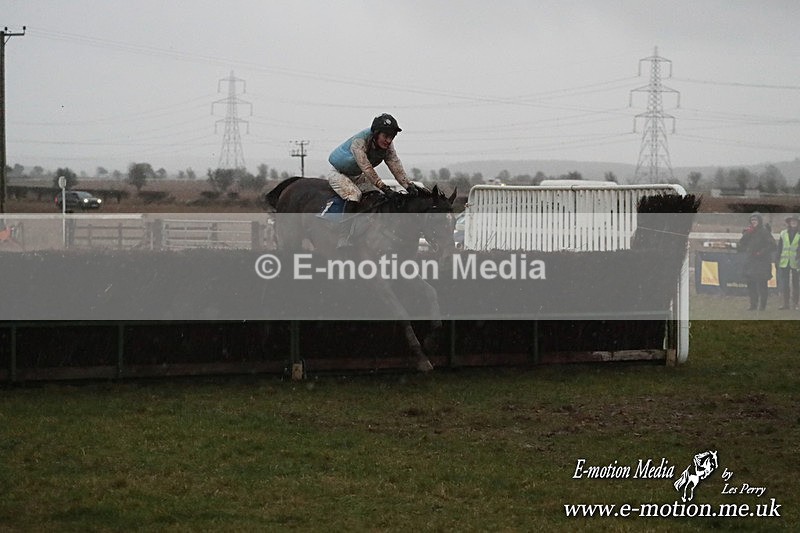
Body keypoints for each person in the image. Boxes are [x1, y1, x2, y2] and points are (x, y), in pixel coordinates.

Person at [328, 113, 418, 247]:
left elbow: (395, 164)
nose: (388, 140)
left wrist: (408, 185)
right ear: (376, 133)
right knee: (354, 195)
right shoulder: (359, 143)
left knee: (377, 196)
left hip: (357, 175)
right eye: (386, 136)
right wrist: (385, 187)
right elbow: (366, 167)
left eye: (391, 137)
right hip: (339, 174)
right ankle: (343, 236)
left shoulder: (388, 147)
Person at [738, 212, 776, 311]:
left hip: (762, 262)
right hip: (751, 261)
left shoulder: (764, 231)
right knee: (750, 283)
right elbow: (741, 244)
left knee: (762, 283)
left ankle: (762, 306)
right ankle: (753, 305)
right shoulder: (749, 231)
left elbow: (772, 245)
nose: (754, 222)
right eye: (752, 220)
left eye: (755, 220)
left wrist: (761, 252)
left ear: (759, 221)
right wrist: (746, 234)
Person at [776, 214, 800, 310]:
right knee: (785, 284)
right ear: (789, 222)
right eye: (792, 221)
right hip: (784, 262)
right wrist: (777, 259)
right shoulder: (783, 233)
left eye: (795, 221)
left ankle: (795, 303)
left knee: (796, 284)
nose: (793, 222)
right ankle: (786, 304)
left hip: (796, 262)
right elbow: (780, 247)